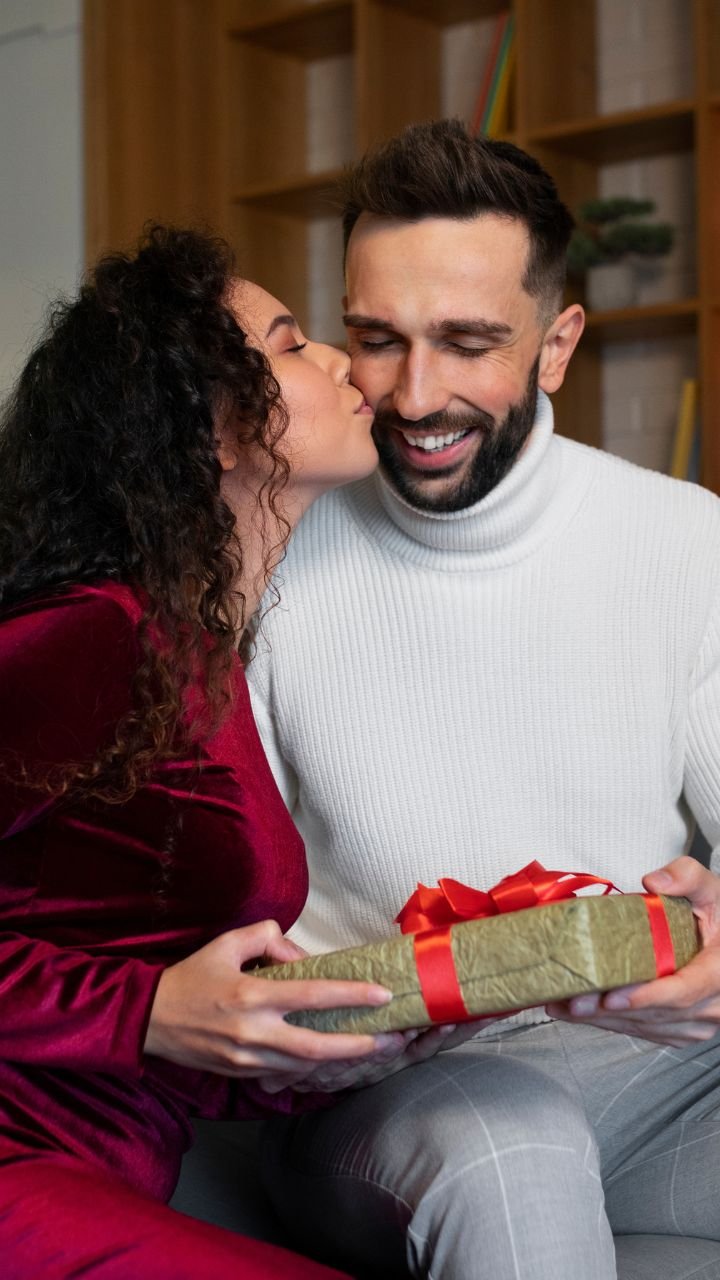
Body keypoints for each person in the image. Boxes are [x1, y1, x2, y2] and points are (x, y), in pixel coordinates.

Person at [246, 121, 720, 1279]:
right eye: (378, 339)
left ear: (556, 346)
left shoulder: (686, 541)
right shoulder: (270, 552)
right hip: (396, 1086)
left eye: (468, 342)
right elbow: (206, 909)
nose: (416, 395)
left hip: (656, 1069)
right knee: (519, 1146)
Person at [0, 223, 447, 1279]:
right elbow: (140, 1010)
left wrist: (340, 1038)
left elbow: (147, 1007)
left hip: (100, 1171)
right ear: (214, 433)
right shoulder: (88, 634)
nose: (339, 358)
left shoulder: (194, 651)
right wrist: (147, 1011)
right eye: (291, 344)